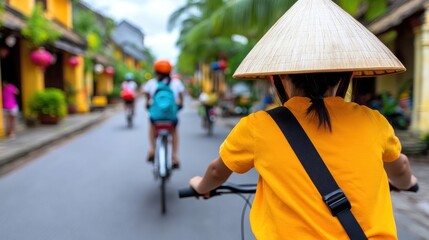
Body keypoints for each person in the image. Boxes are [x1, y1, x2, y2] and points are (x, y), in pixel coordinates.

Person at [187, 0, 418, 239]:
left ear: (278, 78)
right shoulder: (373, 121)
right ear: (347, 77)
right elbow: (399, 166)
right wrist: (408, 182)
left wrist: (200, 186)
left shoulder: (257, 127)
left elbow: (216, 172)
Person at [142, 60, 185, 168]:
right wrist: (179, 106)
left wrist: (148, 103)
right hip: (171, 117)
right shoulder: (176, 83)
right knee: (174, 130)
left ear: (156, 71)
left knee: (152, 125)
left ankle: (152, 149)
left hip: (156, 118)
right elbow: (181, 100)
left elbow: (147, 98)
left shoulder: (151, 83)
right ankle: (174, 156)